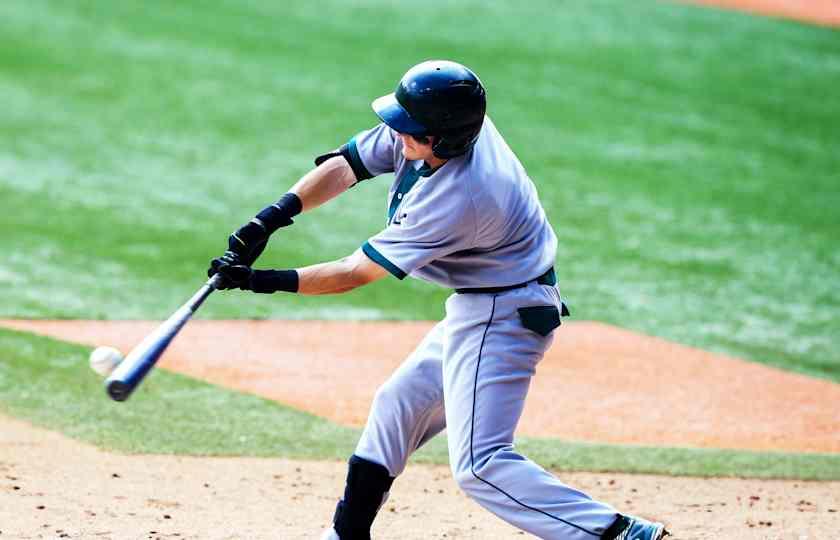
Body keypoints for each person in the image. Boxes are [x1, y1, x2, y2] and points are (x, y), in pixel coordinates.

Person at [208, 60, 668, 540]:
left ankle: (619, 534)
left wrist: (258, 281)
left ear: (445, 140)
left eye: (411, 132)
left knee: (480, 465)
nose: (398, 136)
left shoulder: (464, 193)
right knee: (397, 405)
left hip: (505, 314)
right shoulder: (440, 125)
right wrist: (271, 218)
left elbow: (352, 273)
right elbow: (346, 166)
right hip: (482, 304)